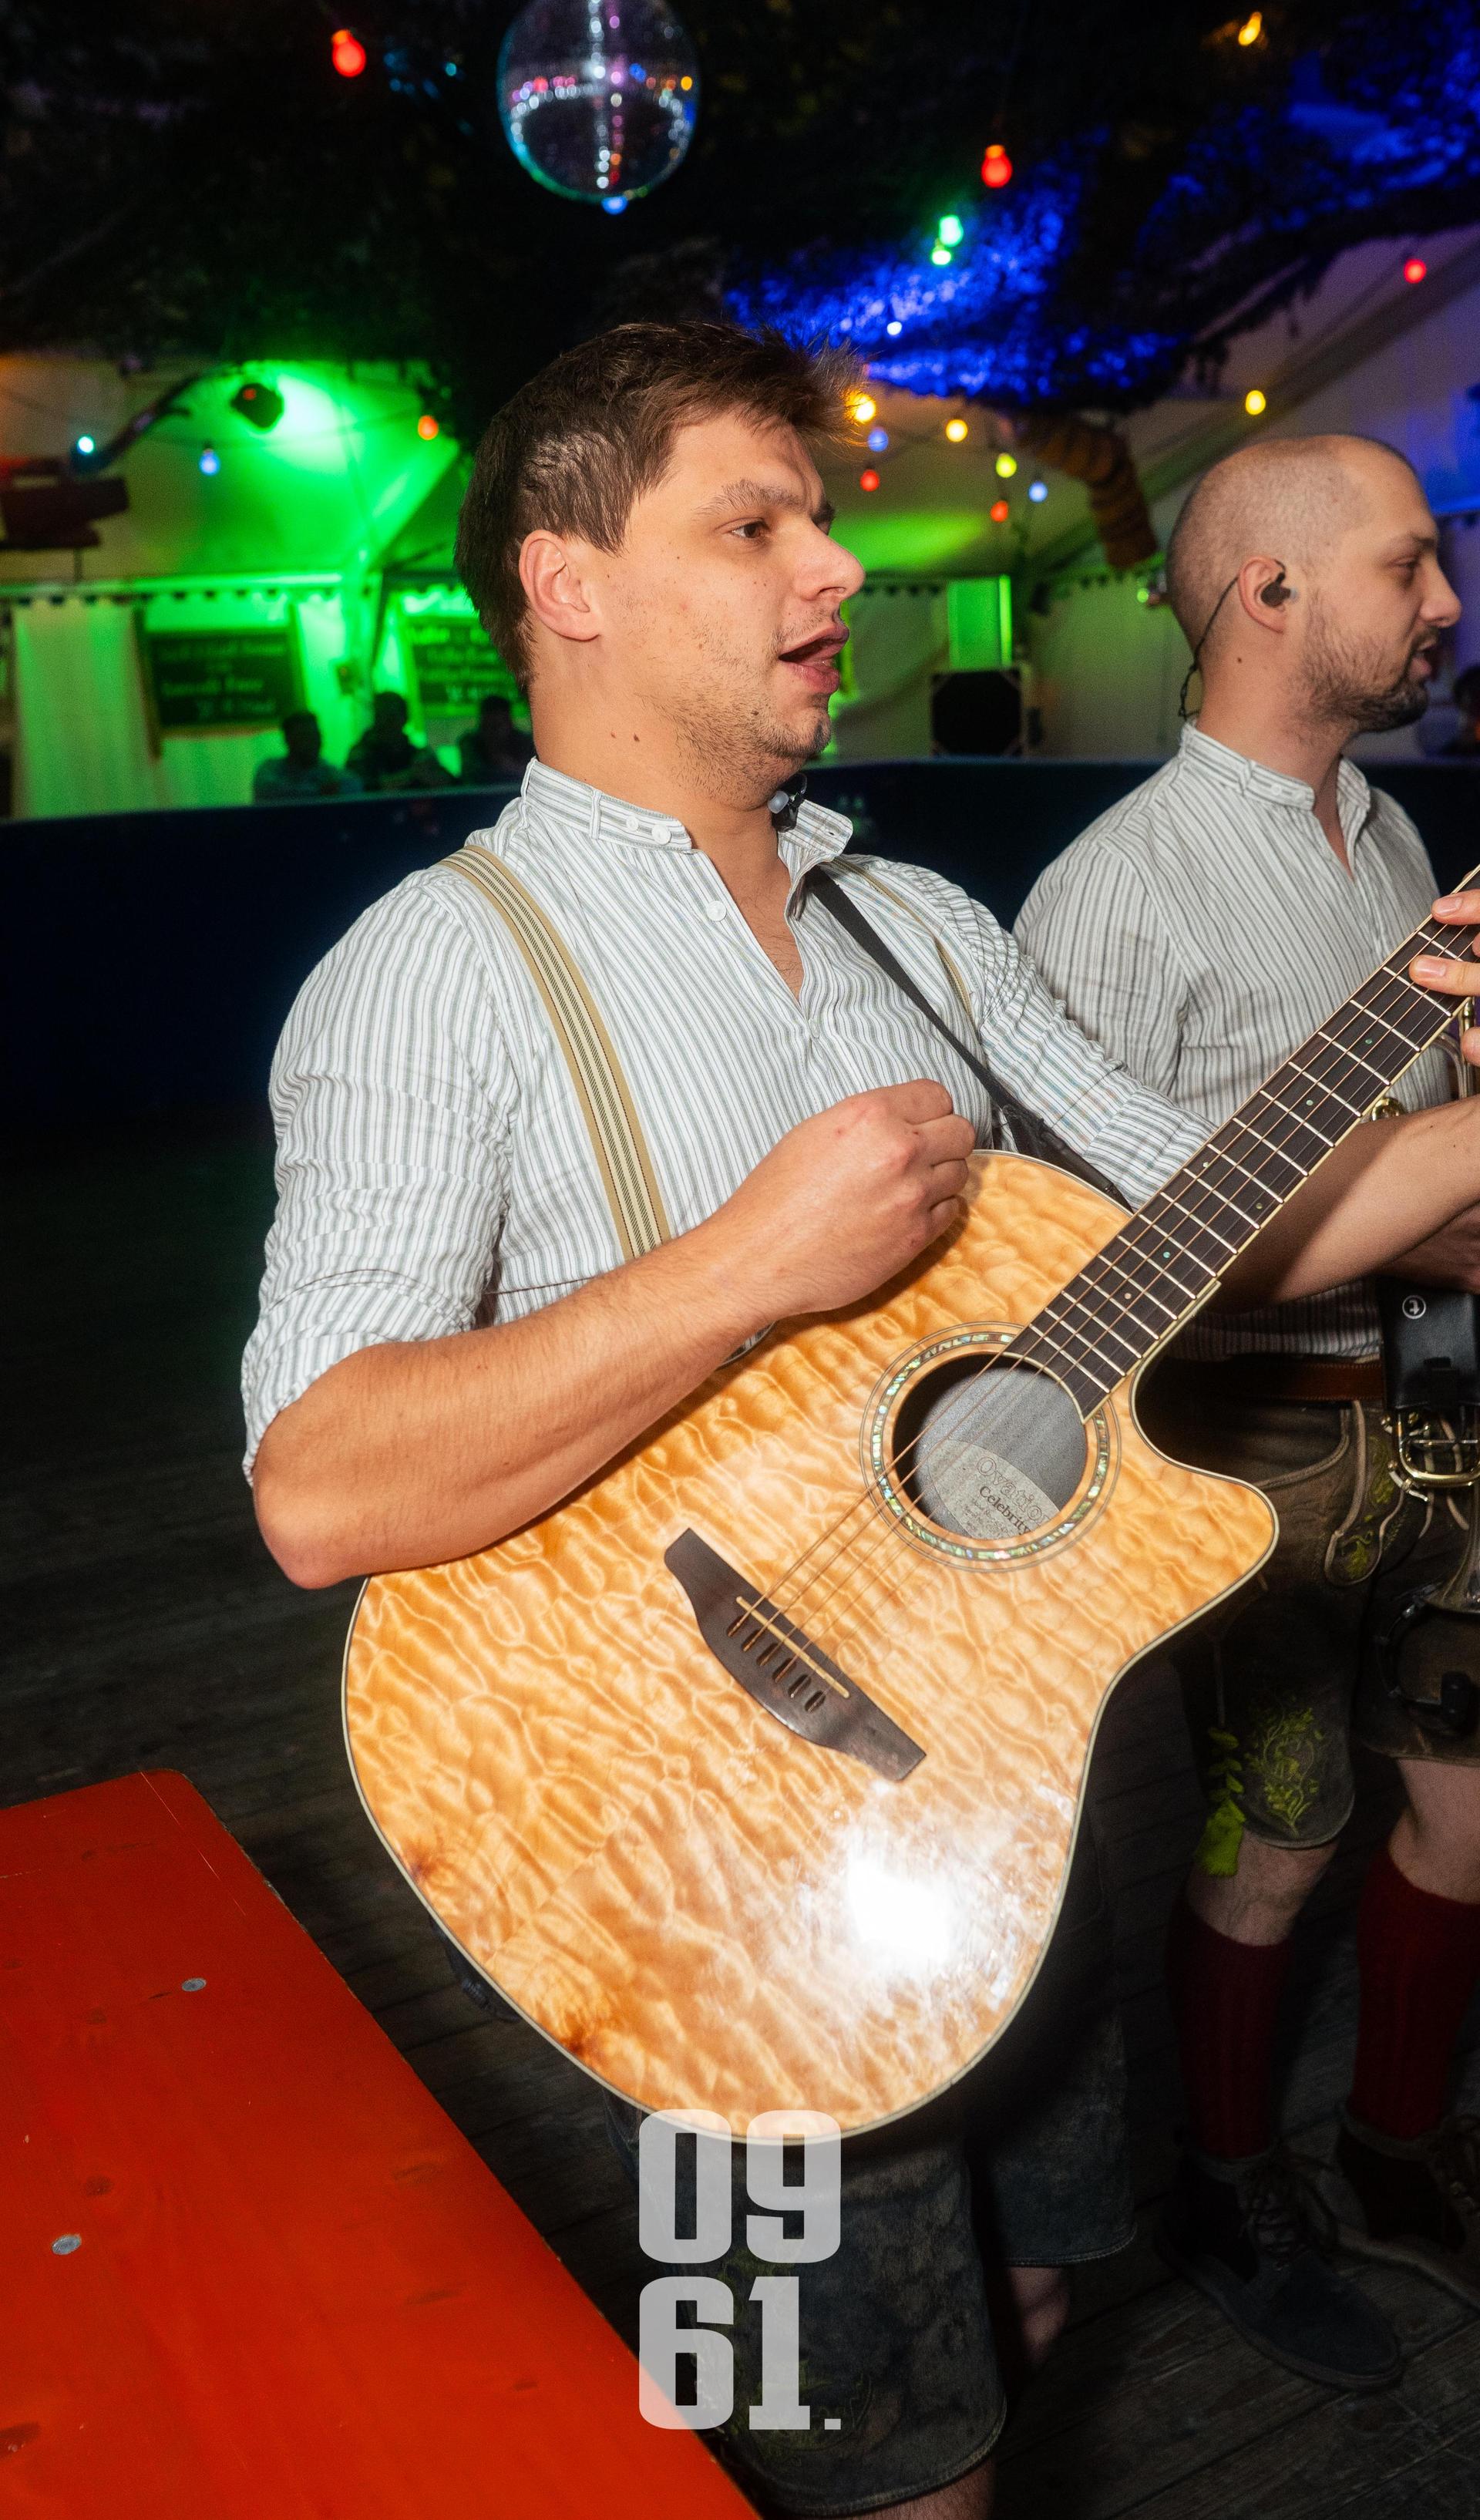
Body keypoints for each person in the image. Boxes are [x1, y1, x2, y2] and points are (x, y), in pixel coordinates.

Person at [244, 328, 1480, 2519]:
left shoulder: (910, 916)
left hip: (1003, 1796)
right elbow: (322, 1484)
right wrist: (744, 1260)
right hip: (689, 1867)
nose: (837, 570)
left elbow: (1221, 1214)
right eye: (757, 522)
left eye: (821, 518)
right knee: (841, 2456)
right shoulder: (432, 967)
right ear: (571, 583)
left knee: (1019, 2315)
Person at [1015, 433, 1480, 2394]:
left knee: (1463, 1804)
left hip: (1444, 1403)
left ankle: (1384, 2145)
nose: (1445, 601)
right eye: (1410, 563)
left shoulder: (1375, 829)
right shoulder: (1104, 896)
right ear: (1269, 592)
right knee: (1275, 1838)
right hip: (1253, 1448)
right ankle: (1225, 2178)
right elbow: (1079, 1273)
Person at [347, 689, 456, 793]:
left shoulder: (418, 755)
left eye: (391, 717)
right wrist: (411, 775)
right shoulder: (360, 754)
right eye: (380, 716)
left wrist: (433, 778)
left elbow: (456, 786)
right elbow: (358, 789)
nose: (384, 723)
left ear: (404, 719)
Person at [251, 710, 360, 803]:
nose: (313, 742)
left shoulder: (329, 773)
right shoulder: (270, 770)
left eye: (316, 735)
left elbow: (354, 786)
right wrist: (319, 792)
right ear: (288, 740)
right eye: (305, 736)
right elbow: (268, 792)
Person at [457, 689, 529, 782]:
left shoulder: (525, 743)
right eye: (488, 726)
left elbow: (529, 775)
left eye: (498, 725)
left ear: (509, 723)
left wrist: (511, 766)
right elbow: (470, 778)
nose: (494, 733)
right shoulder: (470, 744)